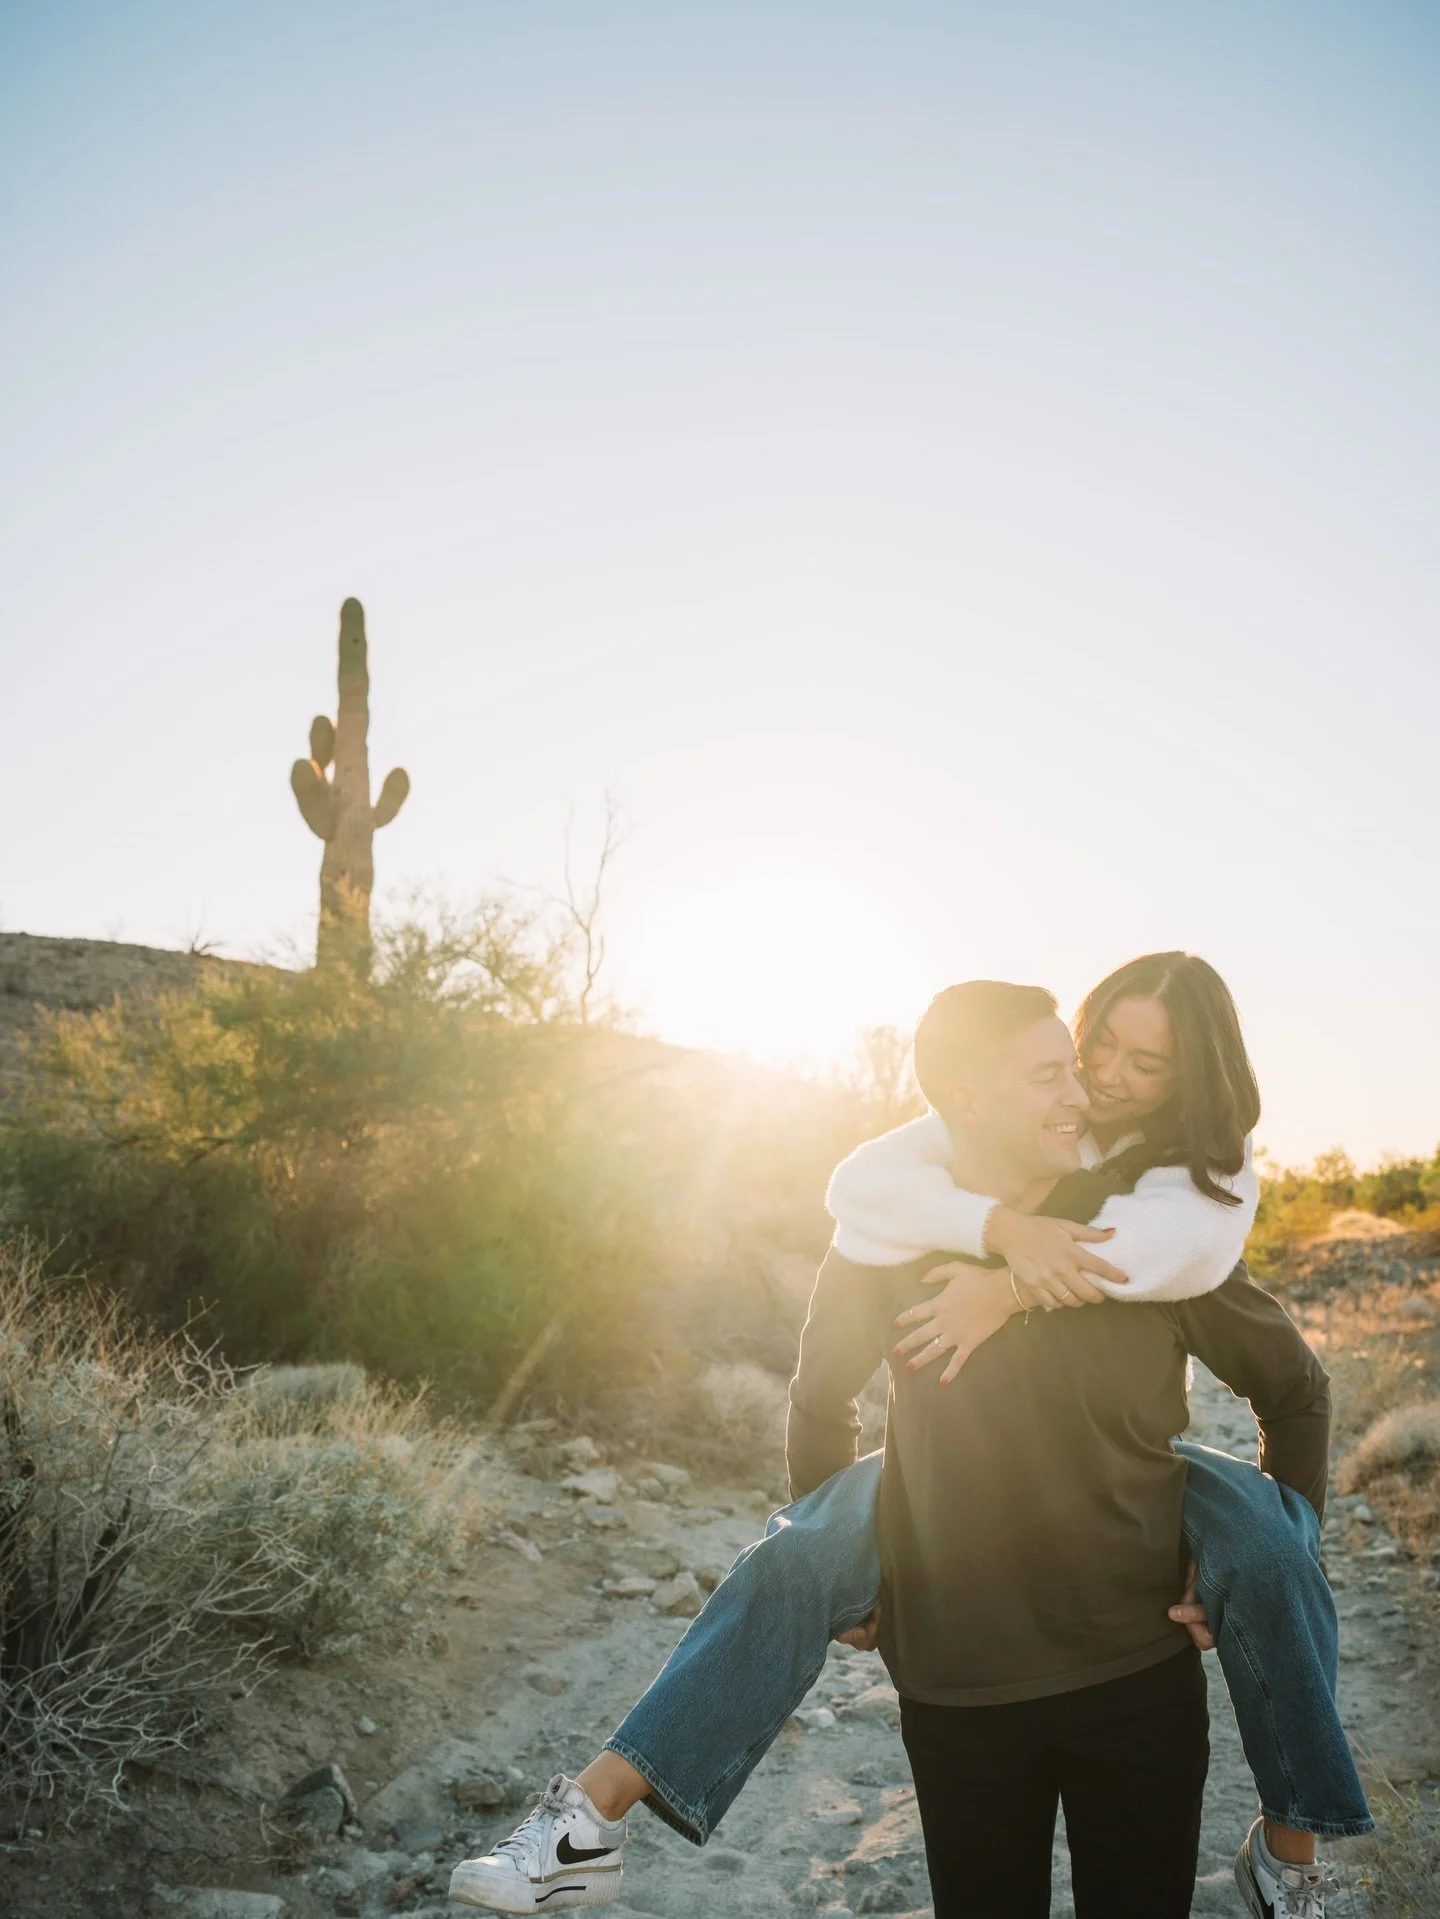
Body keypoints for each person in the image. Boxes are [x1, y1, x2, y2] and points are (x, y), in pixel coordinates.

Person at [449, 957, 1368, 1919]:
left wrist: (1267, 1554)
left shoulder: (1152, 1239)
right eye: (1071, 1061)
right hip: (959, 1690)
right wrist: (857, 1574)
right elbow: (820, 1391)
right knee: (797, 1551)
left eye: (1132, 1066)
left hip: (1135, 1680)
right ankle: (587, 1822)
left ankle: (1292, 1850)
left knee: (1271, 1546)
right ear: (969, 1099)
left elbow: (1296, 1391)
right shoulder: (890, 1235)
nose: (1091, 1085)